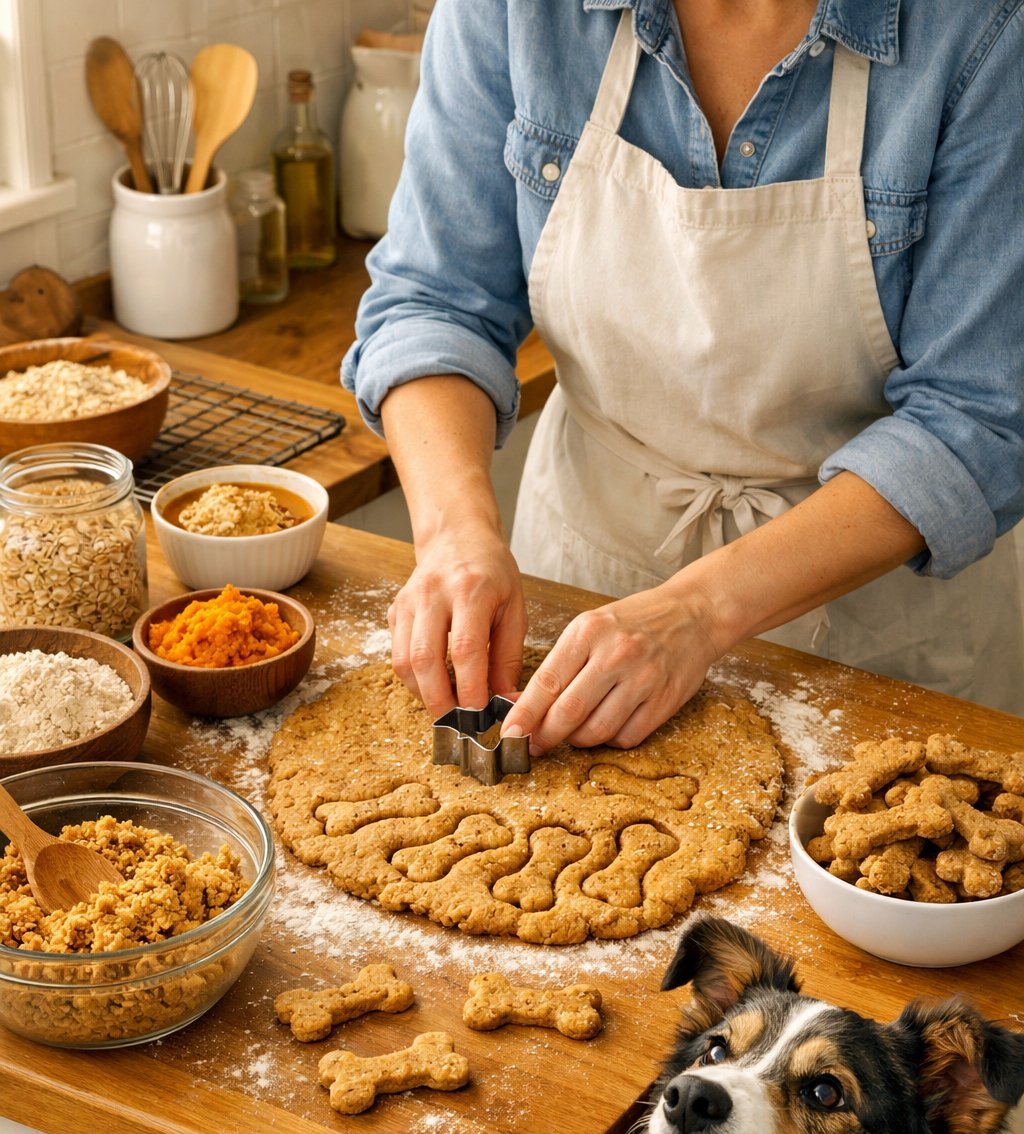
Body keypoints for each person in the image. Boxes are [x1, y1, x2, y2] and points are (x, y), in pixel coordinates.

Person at [342, 0, 1024, 750]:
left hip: (873, 627)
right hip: (586, 570)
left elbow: (977, 417)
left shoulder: (982, 29)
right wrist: (454, 533)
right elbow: (435, 300)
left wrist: (702, 611)